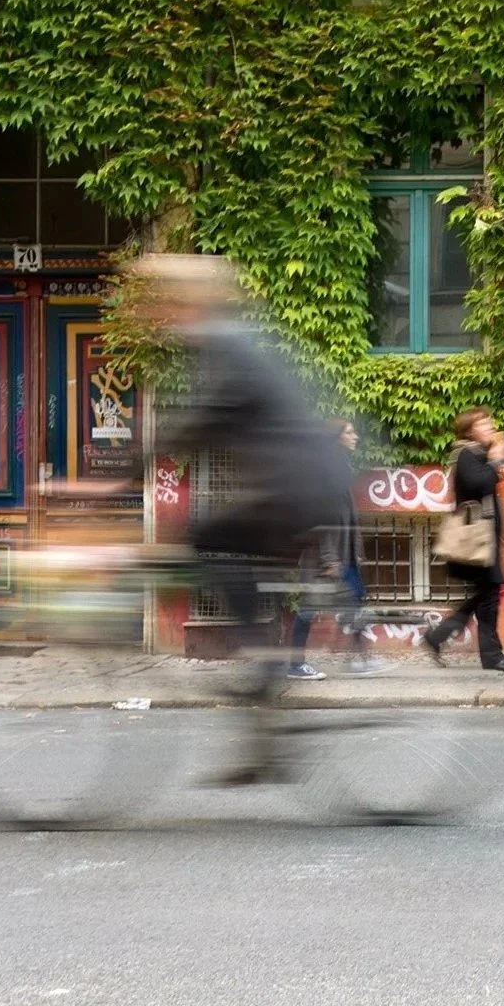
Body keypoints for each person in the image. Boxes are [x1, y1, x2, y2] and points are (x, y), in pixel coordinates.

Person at [138, 255, 350, 777]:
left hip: (300, 489)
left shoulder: (226, 342)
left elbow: (204, 422)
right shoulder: (225, 341)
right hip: (301, 485)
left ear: (182, 301)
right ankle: (264, 741)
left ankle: (264, 656)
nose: (157, 314)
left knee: (205, 534)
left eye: (161, 302)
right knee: (218, 540)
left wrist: (118, 477)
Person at [287, 417, 389, 680]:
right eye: (350, 432)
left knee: (355, 600)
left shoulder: (339, 467)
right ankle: (296, 666)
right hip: (325, 557)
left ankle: (361, 659)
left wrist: (354, 553)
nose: (355, 436)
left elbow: (346, 517)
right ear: (336, 437)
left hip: (342, 554)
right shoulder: (324, 472)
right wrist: (330, 558)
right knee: (309, 610)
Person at [422, 408, 504, 672]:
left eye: (490, 422)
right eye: (483, 424)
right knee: (488, 597)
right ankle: (491, 656)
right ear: (469, 430)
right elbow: (480, 485)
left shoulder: (476, 455)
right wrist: (496, 461)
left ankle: (438, 637)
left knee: (485, 596)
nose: (490, 427)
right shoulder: (465, 454)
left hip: (484, 537)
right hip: (476, 539)